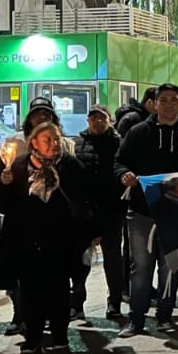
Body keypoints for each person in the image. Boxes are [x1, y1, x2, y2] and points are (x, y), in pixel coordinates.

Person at [114, 83, 178, 337]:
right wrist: (124, 174)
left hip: (176, 215)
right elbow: (119, 161)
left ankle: (165, 316)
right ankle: (136, 319)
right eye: (163, 100)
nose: (168, 104)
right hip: (142, 212)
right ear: (154, 104)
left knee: (170, 266)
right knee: (140, 268)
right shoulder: (137, 133)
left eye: (173, 100)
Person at [0, 122, 98, 353]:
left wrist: (89, 231)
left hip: (60, 239)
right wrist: (4, 184)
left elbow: (85, 198)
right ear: (34, 142)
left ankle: (60, 335)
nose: (54, 144)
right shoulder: (19, 165)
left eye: (56, 139)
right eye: (47, 140)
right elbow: (4, 205)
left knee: (59, 289)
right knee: (30, 291)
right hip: (27, 240)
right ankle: (33, 337)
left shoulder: (70, 165)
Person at [74, 104, 126, 320]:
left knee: (113, 259)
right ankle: (76, 303)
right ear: (88, 120)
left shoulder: (119, 144)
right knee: (80, 259)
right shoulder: (77, 144)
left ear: (109, 120)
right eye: (93, 117)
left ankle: (115, 301)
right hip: (85, 211)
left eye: (102, 117)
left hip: (111, 210)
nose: (97, 121)